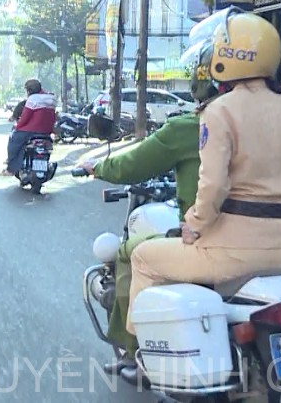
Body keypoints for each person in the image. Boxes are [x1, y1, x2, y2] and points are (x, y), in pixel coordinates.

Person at [125, 8, 281, 358]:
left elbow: (213, 187)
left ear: (224, 58)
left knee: (142, 256)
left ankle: (142, 356)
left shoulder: (219, 111)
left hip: (231, 253)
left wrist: (194, 226)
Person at [74, 67, 214, 378]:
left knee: (131, 254)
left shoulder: (196, 128)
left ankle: (134, 350)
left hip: (213, 241)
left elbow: (133, 165)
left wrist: (96, 167)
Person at [1, 79, 56, 176]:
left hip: (30, 131)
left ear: (29, 91)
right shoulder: (51, 98)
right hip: (46, 132)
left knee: (13, 140)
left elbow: (25, 118)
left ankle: (11, 168)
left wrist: (17, 127)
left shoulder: (32, 99)